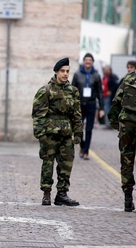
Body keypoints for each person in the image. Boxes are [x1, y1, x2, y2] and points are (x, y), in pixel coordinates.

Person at [32, 58, 82, 207]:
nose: (65, 74)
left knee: (66, 164)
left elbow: (77, 114)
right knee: (48, 164)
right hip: (50, 134)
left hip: (66, 134)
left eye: (67, 71)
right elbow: (38, 114)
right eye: (62, 71)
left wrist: (78, 133)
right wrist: (40, 134)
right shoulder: (45, 90)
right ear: (56, 72)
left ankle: (62, 194)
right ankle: (46, 193)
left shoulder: (73, 91)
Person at [108, 64, 136, 214]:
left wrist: (116, 123)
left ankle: (128, 200)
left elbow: (117, 101)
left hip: (126, 124)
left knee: (126, 160)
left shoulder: (129, 77)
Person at [72, 53, 104, 160]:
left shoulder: (96, 75)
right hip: (80, 105)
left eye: (90, 60)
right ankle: (82, 146)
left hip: (91, 105)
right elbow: (72, 90)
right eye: (86, 60)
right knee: (79, 129)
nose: (88, 62)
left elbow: (99, 92)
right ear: (83, 62)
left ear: (92, 62)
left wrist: (102, 108)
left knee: (89, 129)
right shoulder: (77, 74)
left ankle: (86, 151)